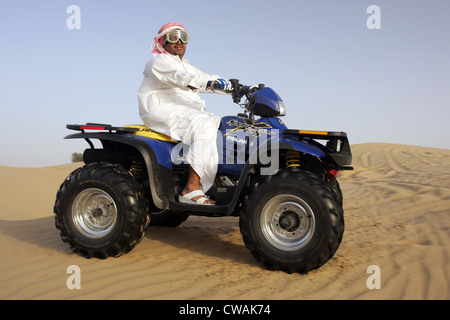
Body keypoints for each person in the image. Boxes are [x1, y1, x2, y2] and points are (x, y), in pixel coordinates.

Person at [138, 22, 231, 205]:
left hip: (180, 110)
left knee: (218, 123)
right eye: (173, 37)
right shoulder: (159, 61)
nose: (179, 41)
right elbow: (184, 78)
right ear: (163, 41)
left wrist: (236, 87)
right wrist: (212, 84)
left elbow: (206, 78)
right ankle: (192, 187)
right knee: (204, 124)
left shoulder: (186, 66)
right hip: (161, 109)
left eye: (183, 37)